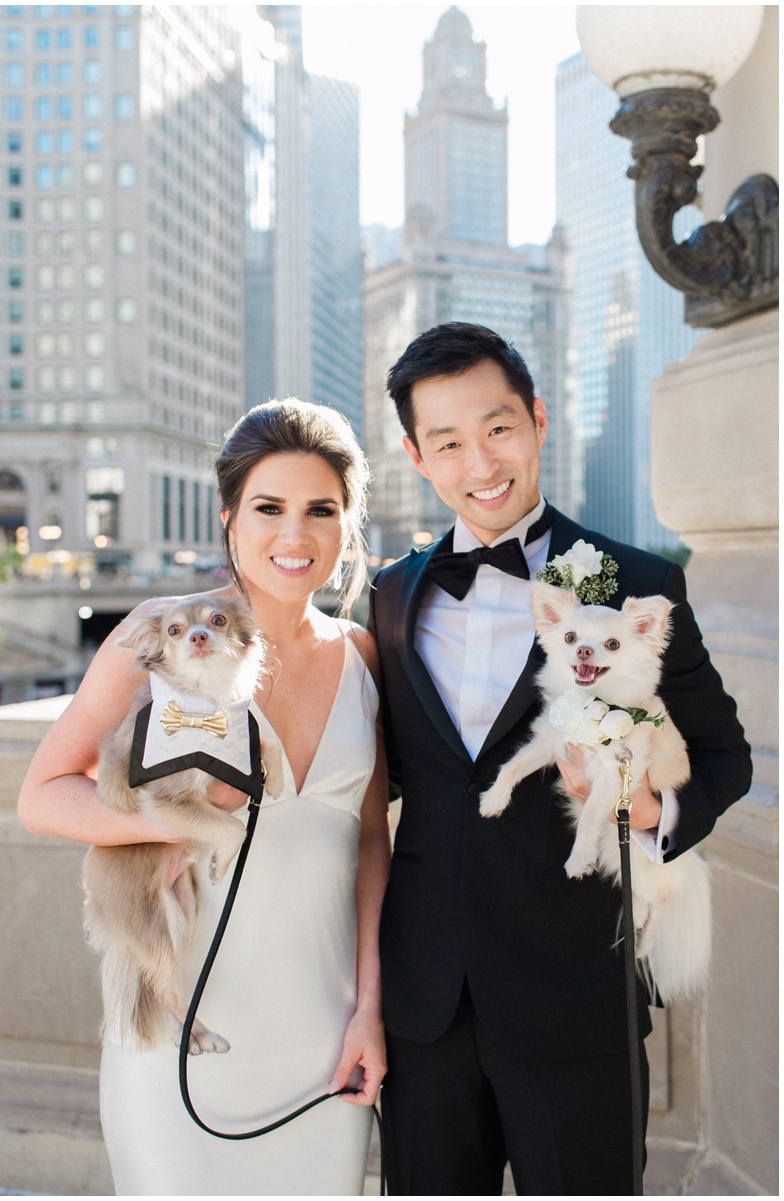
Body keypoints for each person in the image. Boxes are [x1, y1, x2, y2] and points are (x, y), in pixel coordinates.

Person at [369, 322, 751, 1194]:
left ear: (538, 419)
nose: (481, 462)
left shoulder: (637, 581)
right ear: (417, 457)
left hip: (577, 999)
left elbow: (726, 757)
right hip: (424, 1006)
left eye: (498, 428)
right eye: (449, 442)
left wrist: (647, 812)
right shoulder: (392, 594)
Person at [18, 399, 391, 1195]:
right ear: (229, 516)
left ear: (346, 525)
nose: (294, 535)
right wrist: (178, 819)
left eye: (320, 510)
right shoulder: (157, 629)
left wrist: (370, 1009)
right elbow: (42, 796)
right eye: (269, 508)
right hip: (180, 1026)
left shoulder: (362, 654)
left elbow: (369, 842)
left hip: (323, 1036)